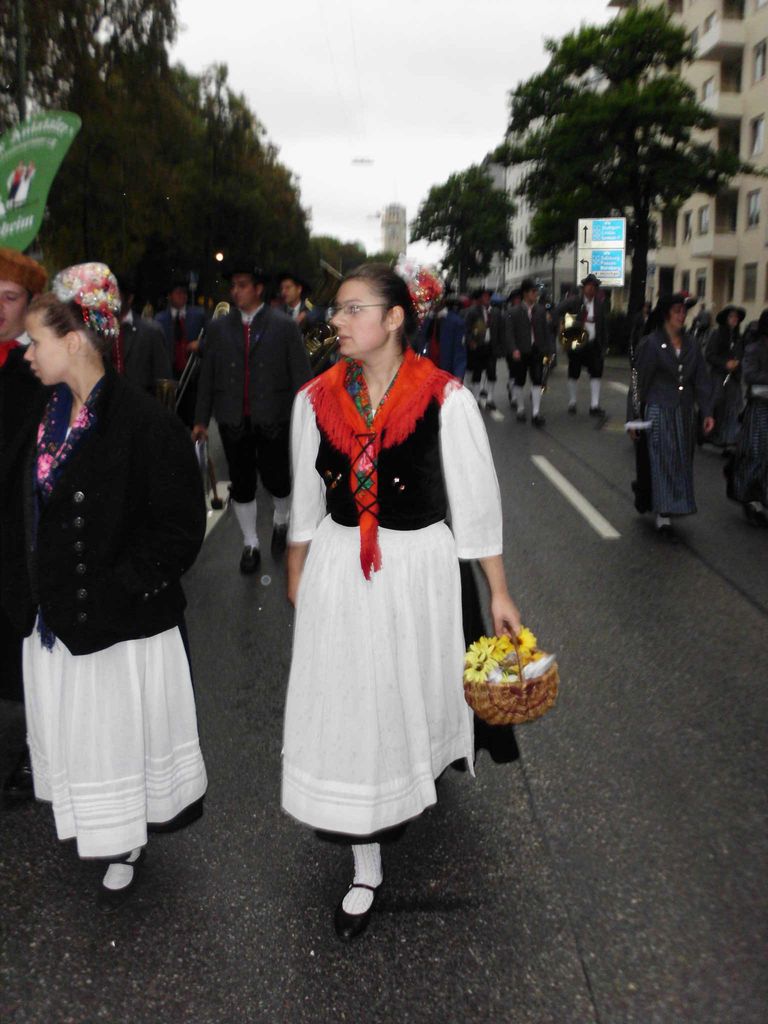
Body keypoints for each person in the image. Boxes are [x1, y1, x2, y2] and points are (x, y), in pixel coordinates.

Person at [282, 263, 521, 941]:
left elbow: (475, 505)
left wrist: (499, 592)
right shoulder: (315, 399)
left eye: (352, 308)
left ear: (393, 319)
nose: (336, 321)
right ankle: (365, 864)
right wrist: (297, 570)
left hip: (418, 571)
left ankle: (411, 778)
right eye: (336, 309)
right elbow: (305, 499)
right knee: (353, 705)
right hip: (341, 566)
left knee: (401, 694)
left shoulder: (446, 398)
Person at [0, 263, 208, 908]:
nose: (27, 352)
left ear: (75, 340)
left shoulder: (146, 423)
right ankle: (100, 826)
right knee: (79, 739)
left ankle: (122, 841)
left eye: (36, 340)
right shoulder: (41, 413)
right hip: (55, 616)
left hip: (116, 624)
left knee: (112, 737)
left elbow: (178, 531)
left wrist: (115, 590)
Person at [192, 260, 312, 571]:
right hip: (232, 418)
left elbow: (301, 376)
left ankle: (282, 519)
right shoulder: (218, 328)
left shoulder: (284, 326)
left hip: (274, 417)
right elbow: (207, 376)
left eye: (242, 285)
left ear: (258, 288)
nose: (235, 291)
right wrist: (201, 420)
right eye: (233, 286)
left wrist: (307, 418)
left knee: (277, 480)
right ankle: (250, 543)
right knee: (242, 485)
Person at [0, 248, 47, 802]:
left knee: (27, 645)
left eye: (9, 298)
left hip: (19, 528)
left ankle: (38, 751)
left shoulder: (38, 366)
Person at [634, 292, 715, 538]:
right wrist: (634, 417)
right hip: (658, 410)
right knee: (662, 460)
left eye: (684, 311)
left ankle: (673, 505)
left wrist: (707, 412)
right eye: (677, 311)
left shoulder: (692, 344)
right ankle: (663, 515)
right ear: (666, 314)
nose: (682, 315)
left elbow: (702, 380)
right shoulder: (651, 343)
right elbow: (638, 383)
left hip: (684, 412)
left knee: (680, 461)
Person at [726, 310, 768, 526]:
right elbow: (750, 375)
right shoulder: (754, 349)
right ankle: (751, 498)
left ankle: (761, 496)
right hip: (760, 407)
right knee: (756, 453)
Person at [505, 278, 554, 427]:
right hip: (520, 351)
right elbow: (509, 333)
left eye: (536, 291)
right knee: (519, 381)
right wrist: (513, 349)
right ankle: (520, 409)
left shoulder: (540, 310)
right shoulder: (513, 311)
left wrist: (549, 350)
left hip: (537, 350)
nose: (536, 294)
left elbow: (546, 331)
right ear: (525, 293)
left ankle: (536, 413)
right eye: (533, 291)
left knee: (537, 380)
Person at [113, 273, 172, 394]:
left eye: (115, 296)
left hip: (140, 401)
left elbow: (162, 377)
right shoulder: (98, 331)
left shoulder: (150, 331)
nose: (110, 301)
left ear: (129, 298)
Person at [558, 273, 608, 417]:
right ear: (584, 288)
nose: (592, 289)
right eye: (589, 286)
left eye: (594, 287)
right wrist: (563, 326)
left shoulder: (599, 305)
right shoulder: (574, 302)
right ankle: (572, 402)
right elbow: (558, 311)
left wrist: (604, 345)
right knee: (574, 372)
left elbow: (604, 326)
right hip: (577, 343)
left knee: (596, 372)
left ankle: (594, 405)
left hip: (594, 344)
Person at [705, 305, 746, 451]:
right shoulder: (717, 335)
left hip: (733, 377)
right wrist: (725, 363)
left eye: (736, 317)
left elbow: (741, 354)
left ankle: (729, 436)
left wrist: (737, 363)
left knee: (733, 406)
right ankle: (711, 433)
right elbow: (709, 355)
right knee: (717, 403)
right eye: (731, 316)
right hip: (719, 375)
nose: (734, 319)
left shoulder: (738, 337)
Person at [465, 287, 502, 419]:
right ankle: (475, 399)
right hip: (478, 346)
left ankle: (490, 399)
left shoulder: (495, 312)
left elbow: (500, 329)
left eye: (488, 296)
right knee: (477, 373)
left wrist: (500, 345)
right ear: (480, 298)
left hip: (491, 346)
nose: (487, 298)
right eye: (484, 296)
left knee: (492, 373)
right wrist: (471, 341)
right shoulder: (473, 312)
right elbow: (467, 329)